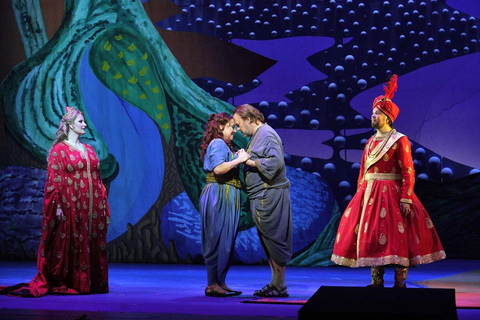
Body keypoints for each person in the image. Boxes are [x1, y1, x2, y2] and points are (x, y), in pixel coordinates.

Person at [331, 75, 446, 288]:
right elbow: (363, 172)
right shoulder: (370, 142)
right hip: (370, 194)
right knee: (374, 237)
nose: (372, 116)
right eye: (373, 113)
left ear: (386, 117)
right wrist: (360, 195)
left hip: (392, 194)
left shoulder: (399, 140)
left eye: (376, 113)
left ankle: (400, 282)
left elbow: (408, 171)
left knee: (398, 237)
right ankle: (376, 282)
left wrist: (406, 198)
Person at [2, 106, 110, 297]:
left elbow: (97, 178)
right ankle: (72, 281)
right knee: (70, 241)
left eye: (84, 121)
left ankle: (91, 282)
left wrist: (102, 202)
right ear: (69, 125)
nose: (85, 124)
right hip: (70, 206)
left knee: (90, 241)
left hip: (90, 207)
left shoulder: (89, 149)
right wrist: (58, 206)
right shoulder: (59, 150)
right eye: (80, 121)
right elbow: (54, 180)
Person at [232, 104, 292, 297]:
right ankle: (275, 282)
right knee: (267, 239)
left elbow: (276, 162)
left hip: (270, 195)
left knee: (274, 237)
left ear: (249, 119)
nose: (238, 130)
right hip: (261, 195)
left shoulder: (267, 134)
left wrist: (247, 161)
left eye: (239, 125)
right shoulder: (257, 136)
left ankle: (280, 284)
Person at [199, 113, 250, 297]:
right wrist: (239, 160)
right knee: (216, 238)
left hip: (228, 193)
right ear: (220, 127)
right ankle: (212, 283)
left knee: (226, 241)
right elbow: (218, 169)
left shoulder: (225, 145)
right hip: (218, 193)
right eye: (231, 126)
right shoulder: (217, 143)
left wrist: (236, 157)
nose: (234, 131)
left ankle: (220, 281)